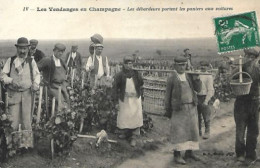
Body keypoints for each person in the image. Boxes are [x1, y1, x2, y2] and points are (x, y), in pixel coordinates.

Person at [164, 56, 202, 165]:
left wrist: (197, 78)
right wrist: (167, 110)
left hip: (191, 107)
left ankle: (189, 153)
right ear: (175, 65)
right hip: (179, 109)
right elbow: (167, 95)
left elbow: (198, 89)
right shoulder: (172, 78)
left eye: (184, 65)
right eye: (180, 65)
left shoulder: (189, 76)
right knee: (179, 132)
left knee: (192, 130)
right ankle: (177, 155)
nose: (182, 67)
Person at [0, 37, 40, 131]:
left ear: (28, 49)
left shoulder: (31, 61)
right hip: (13, 95)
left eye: (24, 48)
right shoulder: (11, 61)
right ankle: (12, 144)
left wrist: (35, 84)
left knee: (26, 122)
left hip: (27, 95)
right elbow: (2, 76)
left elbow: (37, 75)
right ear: (17, 48)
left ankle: (25, 145)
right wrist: (10, 80)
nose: (22, 51)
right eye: (20, 48)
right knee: (12, 121)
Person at [232, 48, 260, 165]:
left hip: (254, 102)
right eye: (247, 56)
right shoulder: (239, 67)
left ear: (255, 58)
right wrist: (238, 67)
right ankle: (240, 154)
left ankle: (251, 153)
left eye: (252, 57)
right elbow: (232, 79)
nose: (249, 59)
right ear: (244, 56)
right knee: (240, 130)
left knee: (253, 130)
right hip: (241, 102)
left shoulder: (258, 69)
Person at [112, 56, 143, 147]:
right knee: (125, 116)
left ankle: (134, 136)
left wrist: (138, 93)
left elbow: (141, 83)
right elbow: (114, 88)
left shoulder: (136, 74)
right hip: (124, 99)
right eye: (128, 64)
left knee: (135, 117)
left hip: (135, 99)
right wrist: (115, 102)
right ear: (124, 64)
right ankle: (125, 133)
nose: (130, 65)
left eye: (131, 64)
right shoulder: (119, 75)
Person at [37, 43, 70, 109]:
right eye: (58, 51)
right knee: (59, 104)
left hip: (62, 86)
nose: (60, 53)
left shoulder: (62, 62)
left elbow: (66, 73)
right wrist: (39, 80)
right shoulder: (47, 60)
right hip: (52, 87)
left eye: (62, 52)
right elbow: (36, 69)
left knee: (68, 102)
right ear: (54, 50)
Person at [197, 61, 214, 139]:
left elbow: (210, 90)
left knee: (206, 116)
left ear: (207, 67)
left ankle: (207, 132)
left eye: (204, 66)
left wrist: (206, 101)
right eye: (201, 65)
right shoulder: (197, 74)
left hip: (205, 97)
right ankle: (198, 131)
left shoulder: (208, 76)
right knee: (197, 116)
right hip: (197, 97)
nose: (203, 67)